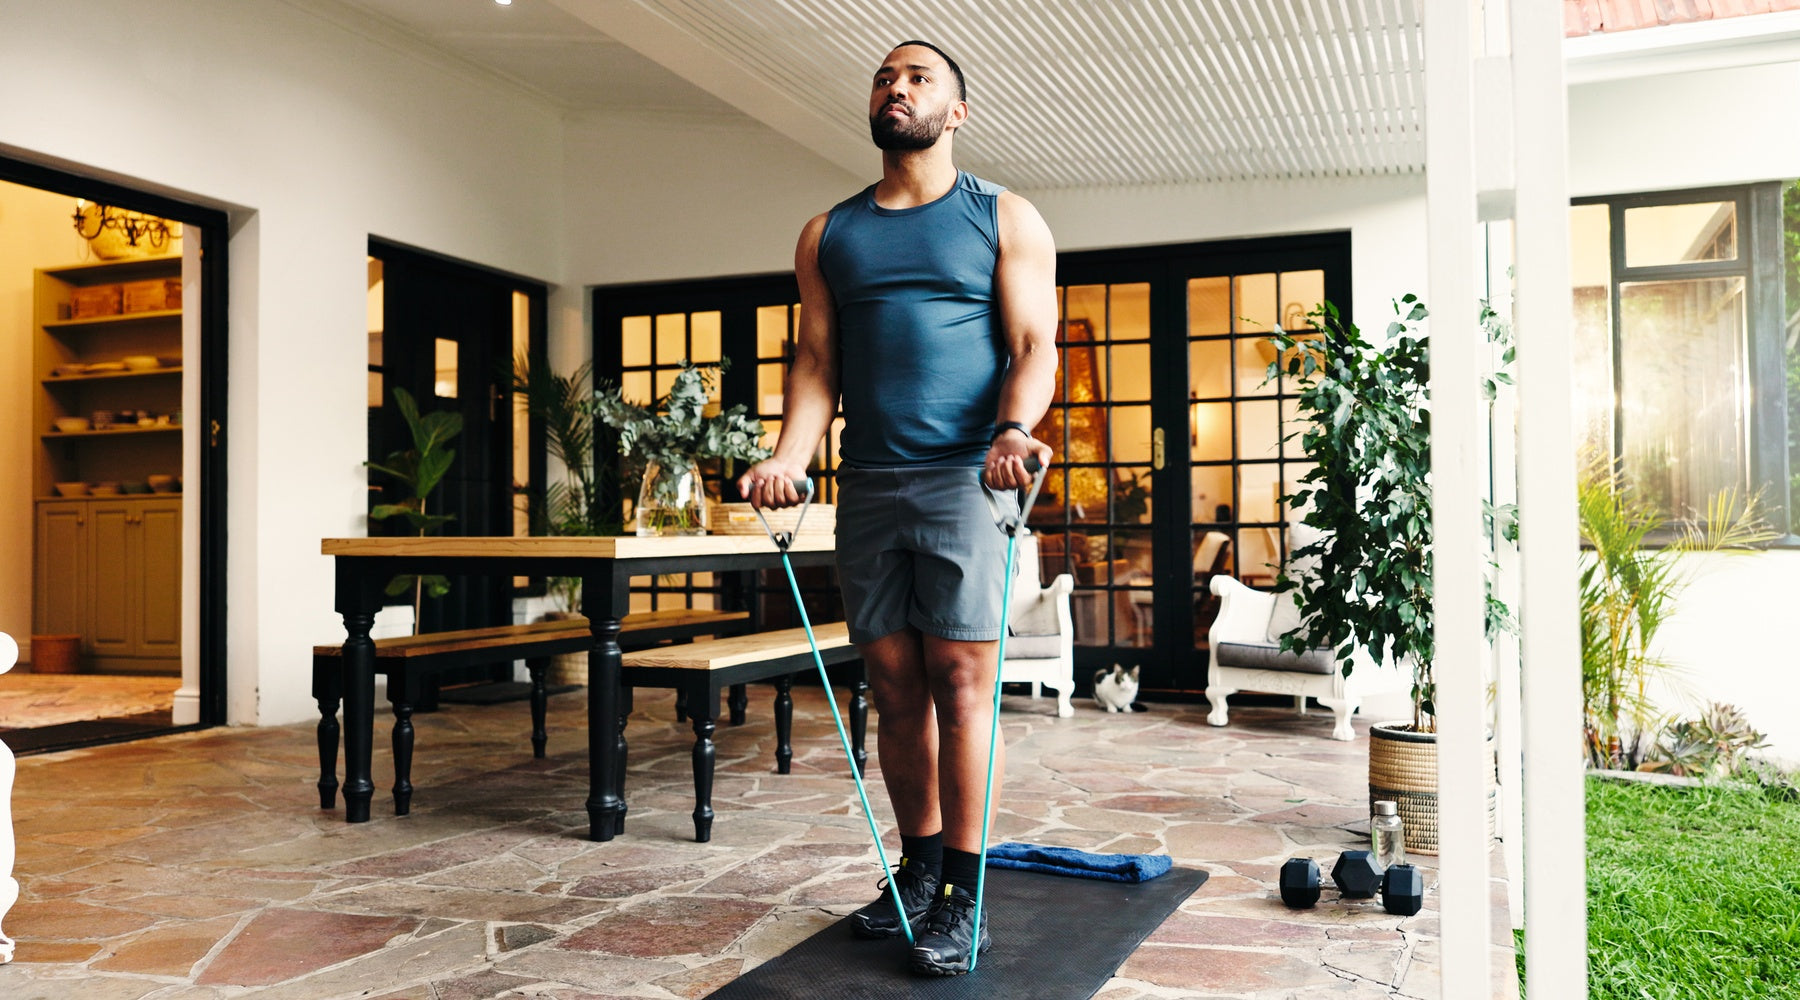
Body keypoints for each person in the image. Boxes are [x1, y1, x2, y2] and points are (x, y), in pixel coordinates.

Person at [737, 39, 1057, 976]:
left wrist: (1010, 429)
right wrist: (787, 458)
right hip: (869, 486)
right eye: (885, 77)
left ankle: (966, 890)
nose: (897, 87)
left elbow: (1033, 341)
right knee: (894, 688)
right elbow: (815, 366)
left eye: (918, 78)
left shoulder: (1004, 216)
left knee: (960, 682)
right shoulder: (827, 234)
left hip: (968, 476)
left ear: (955, 112)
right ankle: (917, 870)